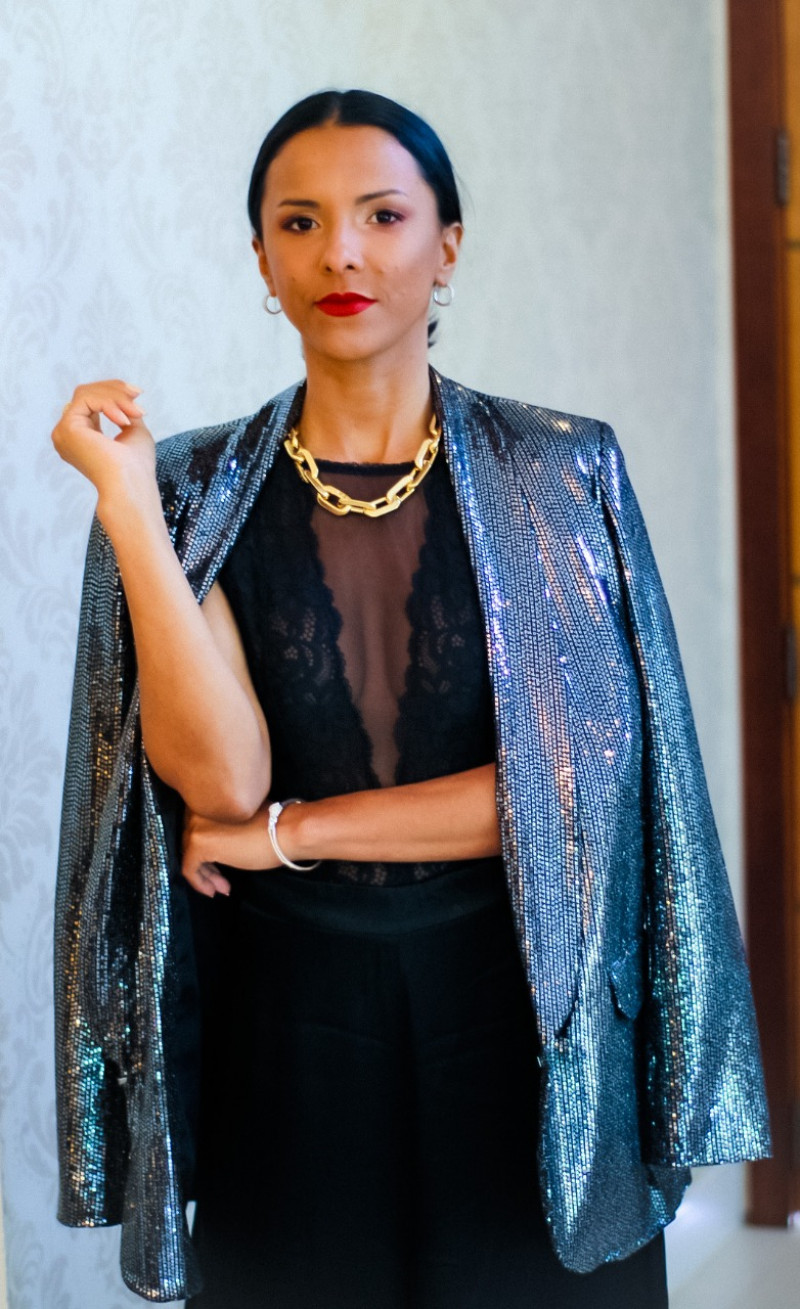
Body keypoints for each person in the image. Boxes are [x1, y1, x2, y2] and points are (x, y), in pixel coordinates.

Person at [51, 89, 770, 1308]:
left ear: (446, 246)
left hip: (529, 1026)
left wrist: (291, 832)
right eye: (299, 223)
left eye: (382, 216)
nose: (340, 252)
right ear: (262, 261)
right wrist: (124, 501)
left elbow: (568, 797)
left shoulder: (558, 470)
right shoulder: (188, 489)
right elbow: (218, 781)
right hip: (286, 1038)